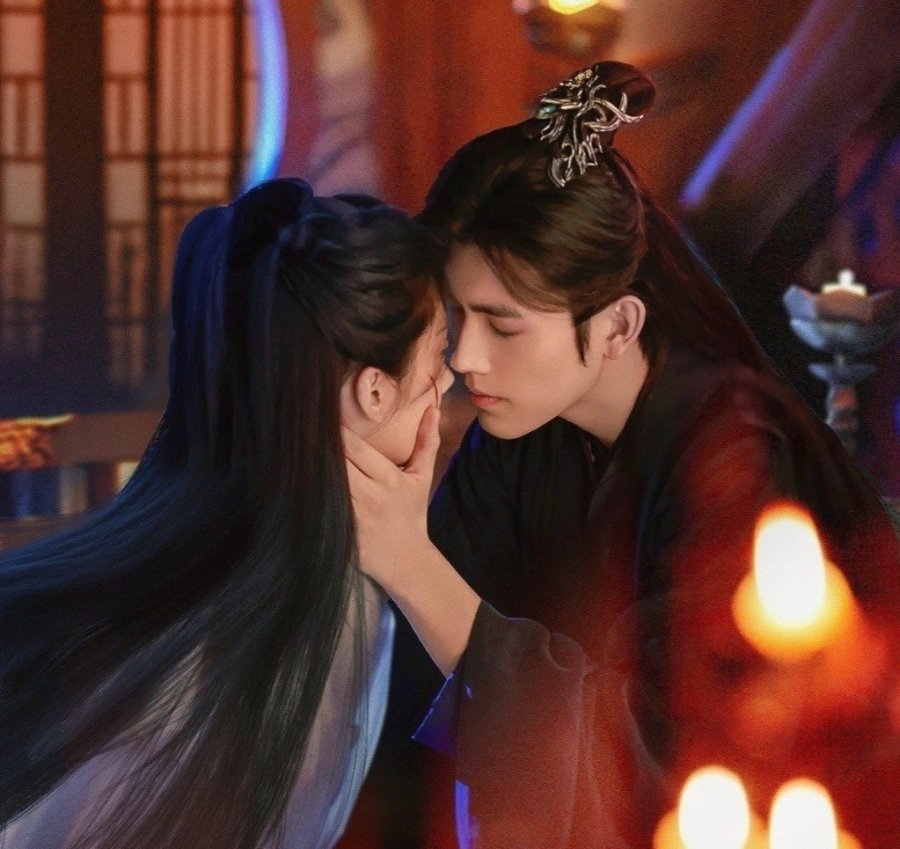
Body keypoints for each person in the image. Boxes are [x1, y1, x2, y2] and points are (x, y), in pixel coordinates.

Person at [344, 63, 900, 848]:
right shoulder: (524, 434)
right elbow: (403, 667)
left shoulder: (734, 451)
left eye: (502, 326)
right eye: (457, 318)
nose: (465, 356)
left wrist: (412, 567)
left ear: (617, 324)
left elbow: (662, 750)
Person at [0, 178, 453, 849]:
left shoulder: (213, 566)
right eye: (439, 357)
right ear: (375, 393)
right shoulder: (302, 620)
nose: (452, 380)